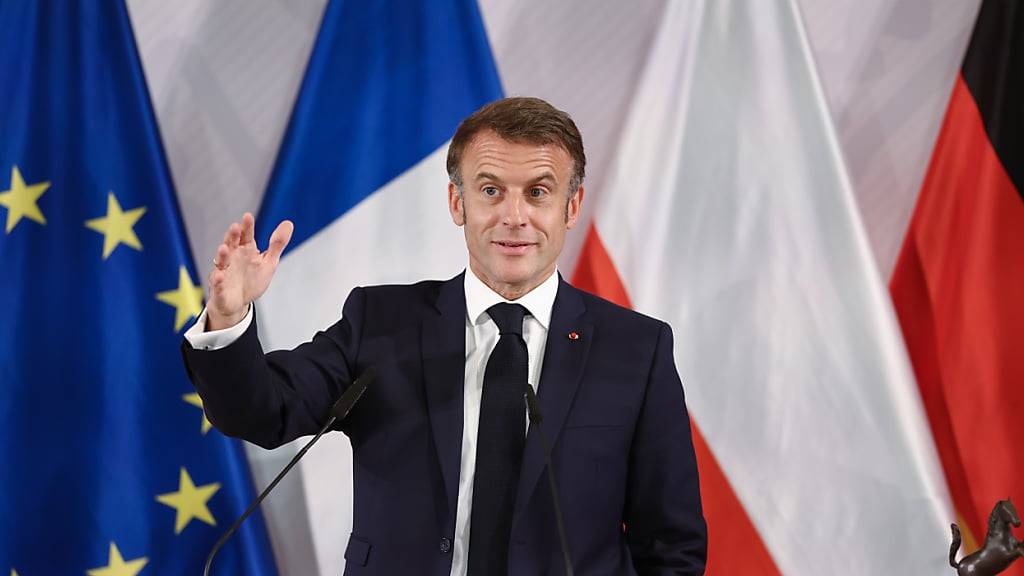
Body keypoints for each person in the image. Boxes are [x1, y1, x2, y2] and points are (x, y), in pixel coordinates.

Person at [182, 97, 707, 575]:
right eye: (490, 190)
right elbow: (262, 412)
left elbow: (670, 546)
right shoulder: (381, 323)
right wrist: (229, 316)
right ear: (458, 204)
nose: (514, 216)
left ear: (571, 207)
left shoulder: (637, 351)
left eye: (538, 192)